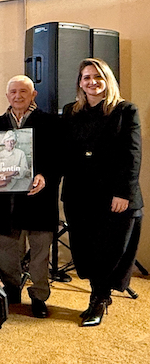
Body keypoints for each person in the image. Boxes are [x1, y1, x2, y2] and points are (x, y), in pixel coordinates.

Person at [61, 58, 142, 327]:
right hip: (80, 195)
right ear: (80, 83)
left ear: (108, 80)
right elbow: (63, 153)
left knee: (109, 252)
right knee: (86, 251)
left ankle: (99, 299)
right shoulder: (71, 112)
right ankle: (97, 296)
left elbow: (132, 155)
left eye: (98, 77)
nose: (92, 82)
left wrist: (123, 193)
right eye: (86, 77)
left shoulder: (125, 110)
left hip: (114, 196)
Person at [0, 75, 58, 319]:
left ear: (33, 94)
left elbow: (61, 158)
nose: (18, 96)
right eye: (13, 92)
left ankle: (39, 296)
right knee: (6, 249)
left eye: (23, 91)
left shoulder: (51, 123)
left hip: (39, 199)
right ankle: (12, 289)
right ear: (7, 96)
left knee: (39, 252)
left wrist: (45, 176)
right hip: (6, 200)